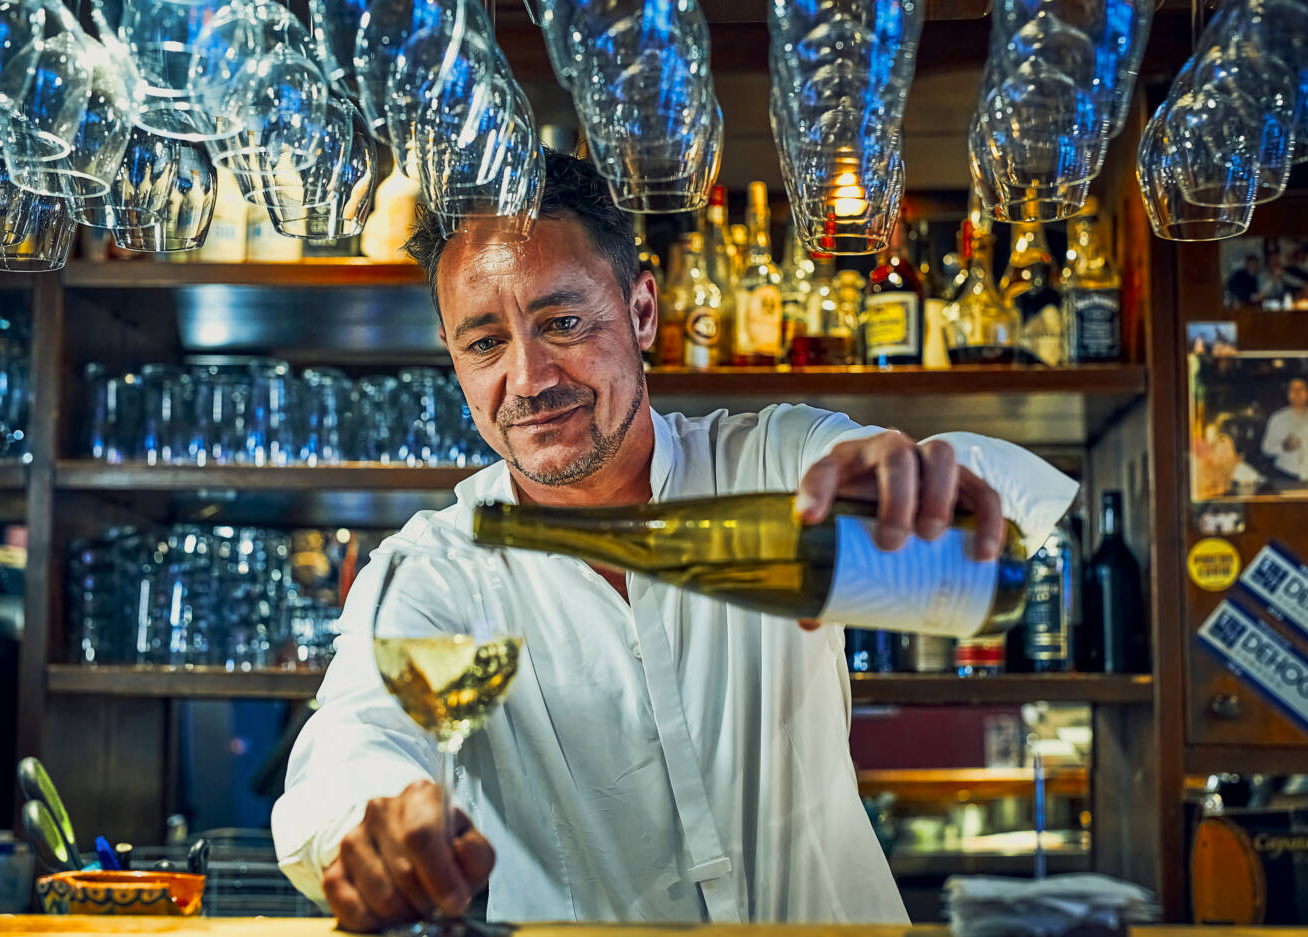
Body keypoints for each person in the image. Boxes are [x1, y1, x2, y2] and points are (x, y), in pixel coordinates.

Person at [273, 153, 1078, 928]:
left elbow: (993, 486)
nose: (528, 377)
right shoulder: (438, 570)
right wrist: (369, 820)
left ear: (643, 311)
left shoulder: (775, 464)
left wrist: (923, 476)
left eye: (562, 321)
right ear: (454, 360)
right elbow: (351, 743)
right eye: (484, 342)